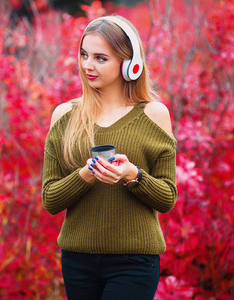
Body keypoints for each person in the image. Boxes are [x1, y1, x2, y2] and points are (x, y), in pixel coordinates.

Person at [42, 15, 177, 300]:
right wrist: (86, 175)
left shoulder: (154, 114)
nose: (87, 65)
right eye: (84, 55)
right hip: (77, 260)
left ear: (130, 64)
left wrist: (133, 175)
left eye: (100, 58)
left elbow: (167, 198)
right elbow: (50, 200)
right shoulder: (64, 116)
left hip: (135, 262)